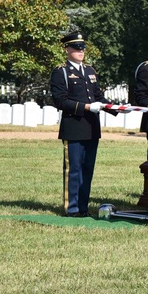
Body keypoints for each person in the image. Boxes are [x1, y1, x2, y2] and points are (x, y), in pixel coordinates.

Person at [49, 31, 116, 217]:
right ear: (67, 49)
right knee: (74, 169)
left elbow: (98, 96)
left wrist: (115, 108)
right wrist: (86, 107)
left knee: (88, 170)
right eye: (76, 48)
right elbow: (60, 101)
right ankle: (72, 209)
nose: (80, 51)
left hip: (92, 127)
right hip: (74, 127)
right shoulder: (61, 71)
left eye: (82, 48)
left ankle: (83, 207)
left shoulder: (89, 71)